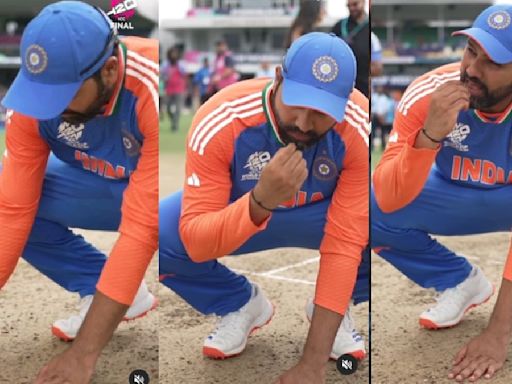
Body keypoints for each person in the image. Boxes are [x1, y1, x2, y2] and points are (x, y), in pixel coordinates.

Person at [159, 32, 370, 384]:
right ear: (278, 79)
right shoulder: (223, 117)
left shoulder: (355, 125)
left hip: (321, 215)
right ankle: (239, 303)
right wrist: (260, 201)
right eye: (297, 103)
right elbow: (197, 242)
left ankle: (332, 309)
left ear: (344, 102)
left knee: (382, 213)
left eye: (320, 113)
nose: (303, 124)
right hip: (245, 209)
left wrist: (311, 365)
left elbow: (346, 240)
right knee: (162, 231)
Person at [0, 2, 158, 383]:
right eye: (43, 93)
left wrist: (83, 353)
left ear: (109, 69)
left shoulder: (153, 86)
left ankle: (238, 299)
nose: (49, 108)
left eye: (65, 93)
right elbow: (12, 210)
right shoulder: (33, 104)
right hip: (100, 187)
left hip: (156, 197)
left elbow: (141, 231)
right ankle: (103, 285)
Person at [372, 4, 512, 382]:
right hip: (451, 192)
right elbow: (386, 198)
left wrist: (498, 333)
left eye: (493, 62)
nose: (471, 70)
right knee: (364, 210)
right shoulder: (429, 92)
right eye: (471, 51)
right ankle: (459, 281)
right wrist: (429, 135)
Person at [331, 0, 370, 97]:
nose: (352, 8)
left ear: (363, 2)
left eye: (355, 4)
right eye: (349, 6)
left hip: (363, 83)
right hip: (341, 82)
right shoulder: (339, 26)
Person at [162, 46, 187, 131]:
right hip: (169, 89)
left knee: (178, 108)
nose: (174, 55)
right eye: (172, 53)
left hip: (179, 89)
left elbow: (184, 74)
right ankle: (173, 120)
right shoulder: (166, 64)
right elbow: (162, 75)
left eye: (175, 53)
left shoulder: (180, 64)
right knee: (168, 108)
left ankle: (175, 125)